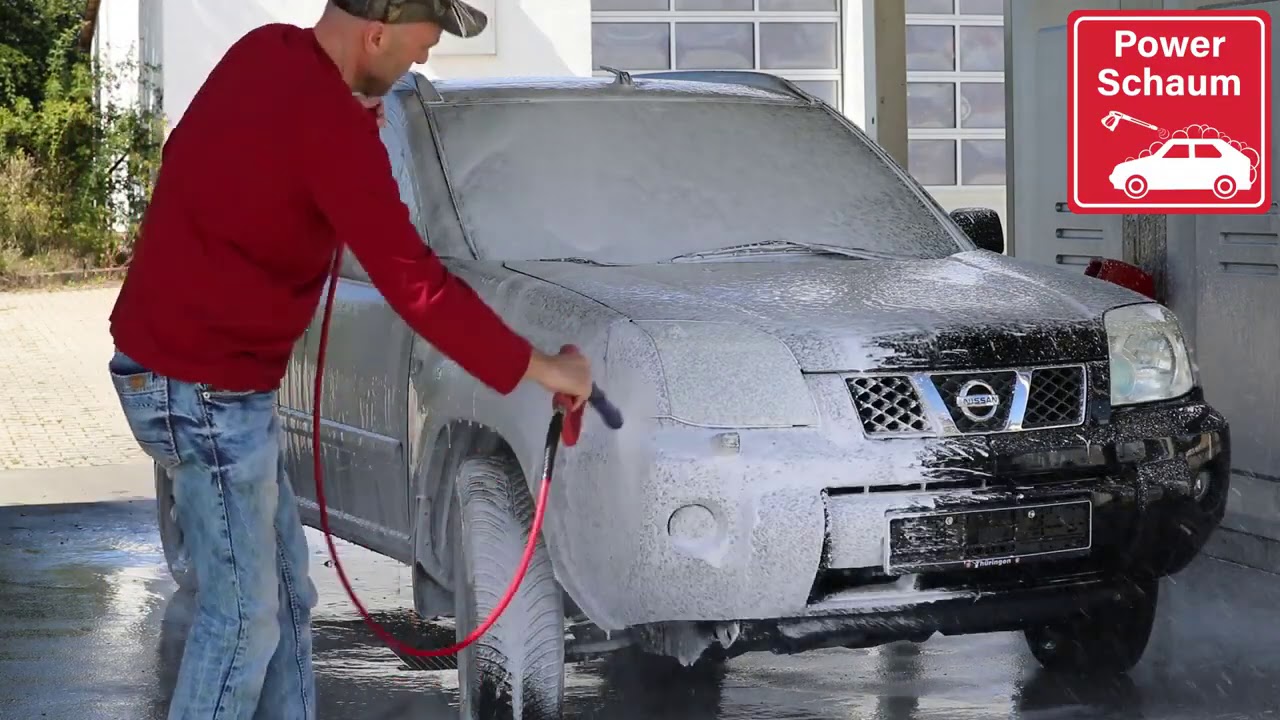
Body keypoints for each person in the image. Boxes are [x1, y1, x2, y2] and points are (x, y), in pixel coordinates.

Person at [105, 1, 593, 718]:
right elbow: (418, 288)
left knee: (283, 603)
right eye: (418, 47)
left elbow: (221, 171)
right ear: (375, 34)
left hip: (200, 378)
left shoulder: (266, 52)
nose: (421, 63)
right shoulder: (330, 127)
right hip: (202, 391)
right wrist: (547, 369)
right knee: (242, 622)